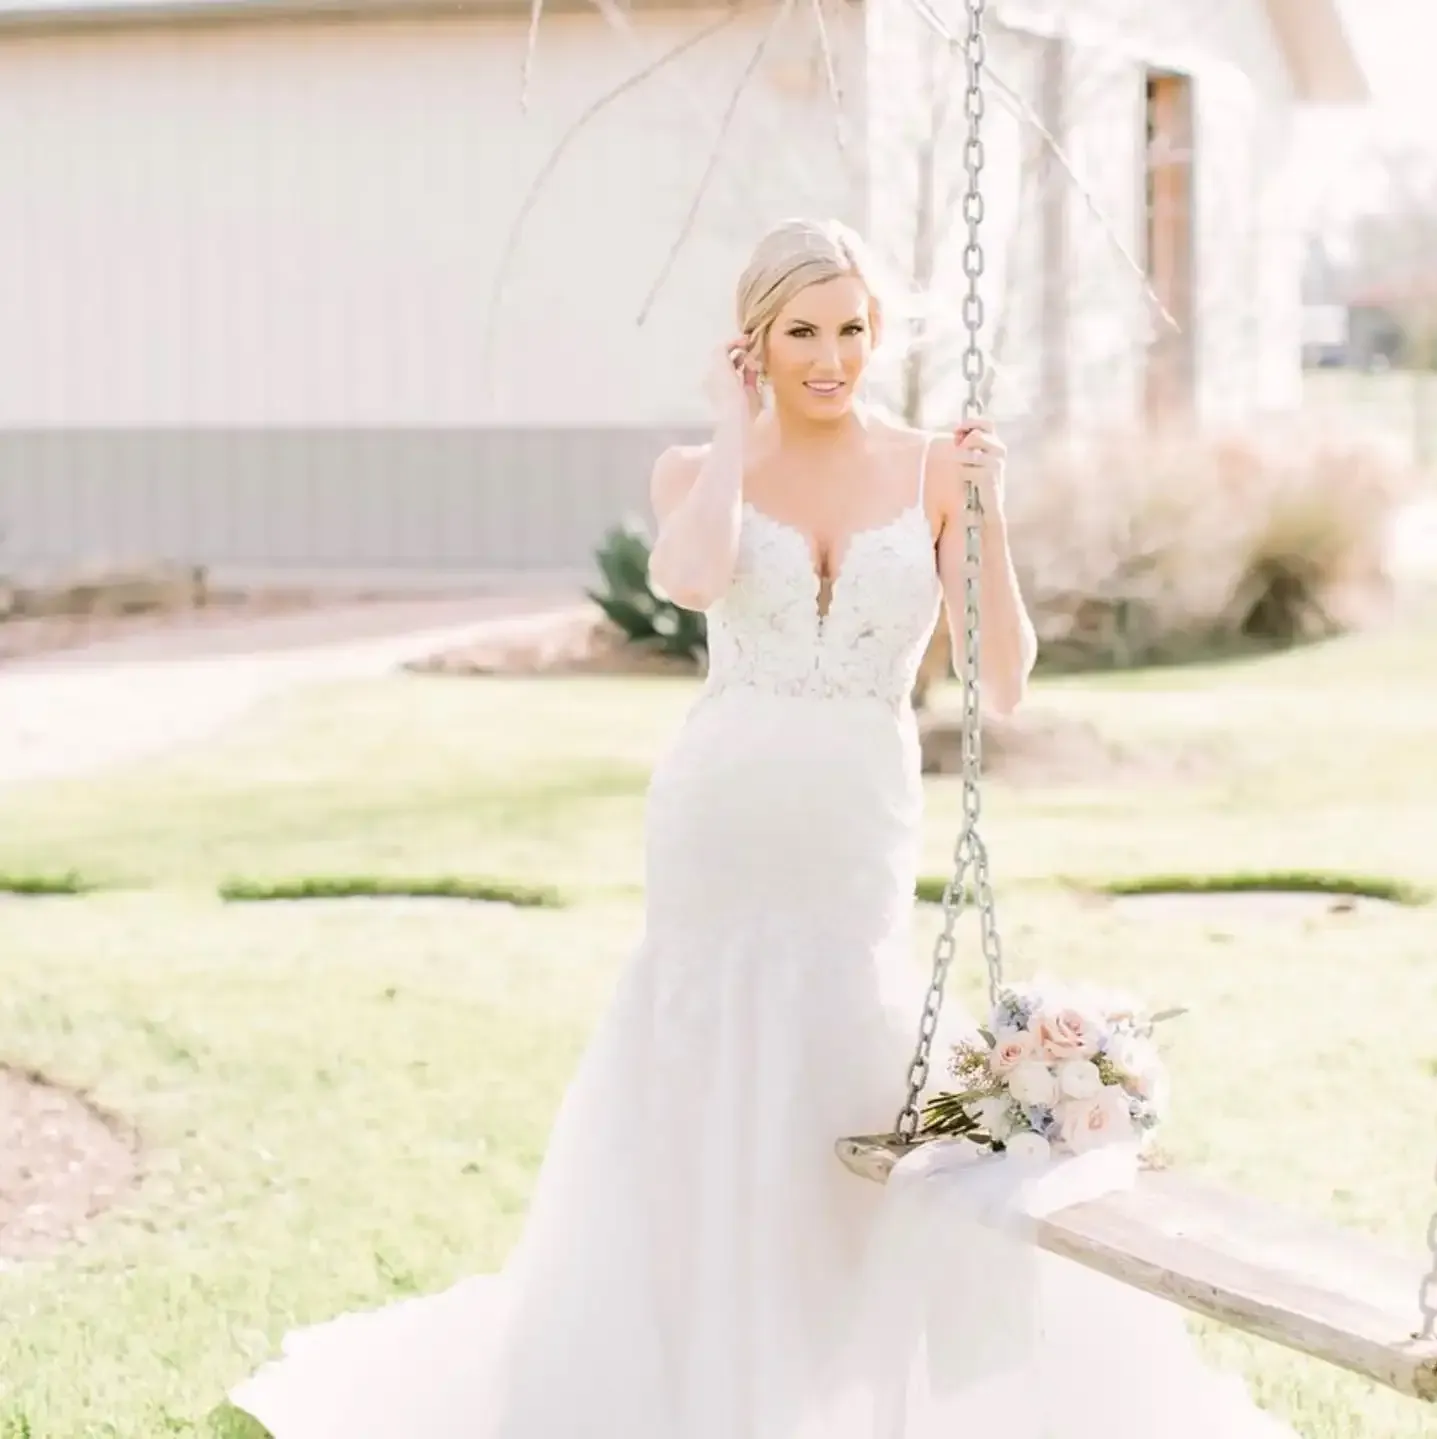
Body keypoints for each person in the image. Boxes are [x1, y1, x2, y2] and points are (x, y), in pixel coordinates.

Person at [229, 218, 1294, 1438]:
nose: (832, 355)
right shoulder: (696, 470)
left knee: (840, 1037)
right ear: (756, 340)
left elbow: (1002, 679)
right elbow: (689, 582)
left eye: (852, 328)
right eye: (803, 332)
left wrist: (988, 514)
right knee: (702, 1048)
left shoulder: (938, 465)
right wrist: (738, 432)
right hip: (720, 807)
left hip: (853, 810)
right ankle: (686, 1360)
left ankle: (835, 1362)